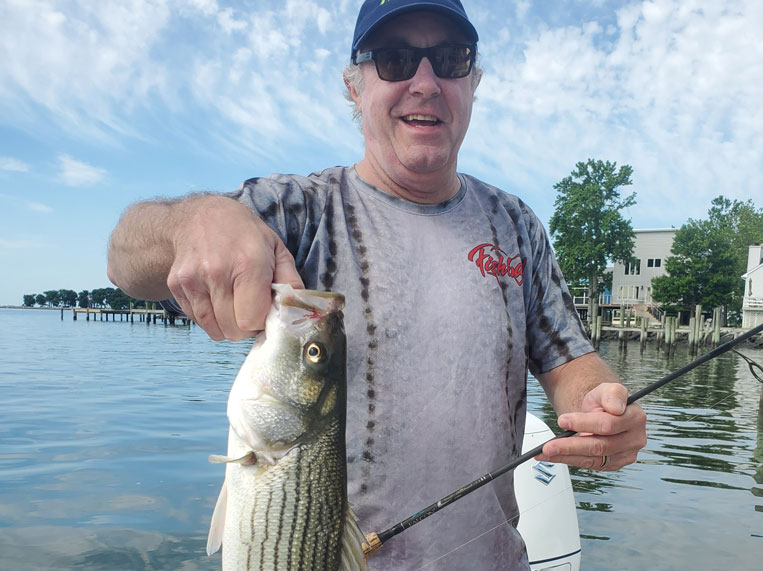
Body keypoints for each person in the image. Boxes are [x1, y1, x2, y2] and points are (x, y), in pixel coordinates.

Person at [107, 1, 647, 569]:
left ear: (473, 82)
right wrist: (193, 219)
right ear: (353, 86)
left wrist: (599, 406)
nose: (425, 82)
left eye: (449, 59)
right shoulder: (298, 212)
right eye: (393, 60)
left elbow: (570, 359)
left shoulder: (515, 226)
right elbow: (125, 262)